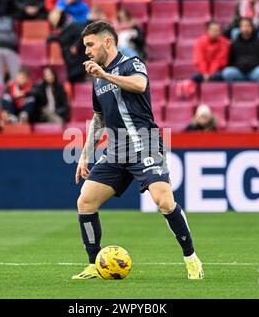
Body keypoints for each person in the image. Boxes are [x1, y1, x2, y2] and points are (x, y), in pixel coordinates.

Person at [72, 21, 204, 280]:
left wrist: (105, 75)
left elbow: (139, 85)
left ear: (107, 42)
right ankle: (93, 264)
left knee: (164, 201)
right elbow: (98, 119)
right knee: (85, 201)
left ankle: (191, 258)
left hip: (145, 142)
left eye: (90, 44)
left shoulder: (131, 63)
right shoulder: (97, 81)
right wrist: (85, 154)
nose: (86, 50)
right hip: (117, 149)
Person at [222, 18, 259, 83]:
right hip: (239, 72)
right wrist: (239, 65)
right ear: (240, 28)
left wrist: (257, 64)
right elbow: (230, 61)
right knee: (227, 73)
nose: (246, 29)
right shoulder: (234, 44)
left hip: (254, 71)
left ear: (252, 28)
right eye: (243, 26)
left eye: (248, 26)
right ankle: (236, 91)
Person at [47, 11, 89, 83]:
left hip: (78, 62)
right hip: (69, 63)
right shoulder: (62, 29)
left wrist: (76, 45)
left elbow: (83, 34)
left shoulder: (73, 25)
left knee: (78, 81)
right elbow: (63, 38)